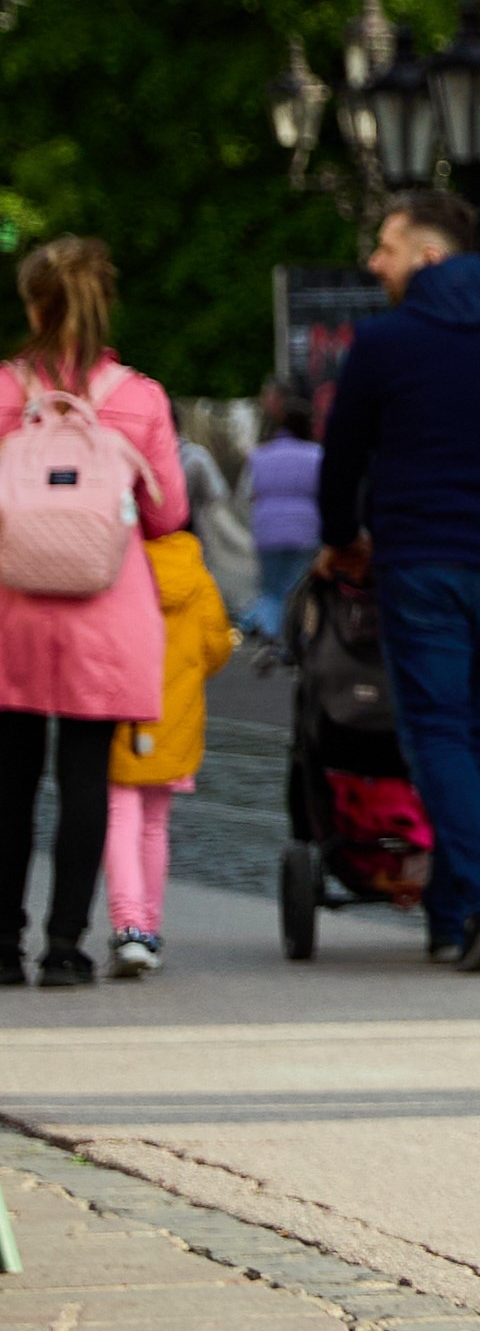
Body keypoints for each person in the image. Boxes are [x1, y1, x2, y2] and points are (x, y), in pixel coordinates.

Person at [316, 185, 480, 973]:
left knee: (433, 731)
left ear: (429, 256)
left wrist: (342, 539)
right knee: (475, 732)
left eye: (387, 248)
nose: (374, 263)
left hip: (421, 558)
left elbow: (342, 457)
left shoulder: (385, 344)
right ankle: (451, 916)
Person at [0, 238, 189, 990]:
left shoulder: (5, 390)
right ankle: (66, 948)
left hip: (11, 611)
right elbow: (169, 513)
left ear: (34, 307)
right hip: (105, 615)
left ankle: (2, 944)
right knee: (86, 781)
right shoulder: (139, 397)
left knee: (9, 782)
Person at [103, 506, 230, 979]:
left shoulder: (116, 560)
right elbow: (216, 647)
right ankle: (150, 930)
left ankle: (129, 926)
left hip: (121, 707)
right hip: (175, 713)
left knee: (119, 813)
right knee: (155, 823)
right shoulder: (195, 572)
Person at [244, 381, 322, 647]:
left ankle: (270, 638)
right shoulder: (316, 455)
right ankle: (295, 641)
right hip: (305, 529)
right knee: (298, 587)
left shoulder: (260, 455)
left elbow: (249, 492)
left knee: (270, 588)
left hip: (267, 529)